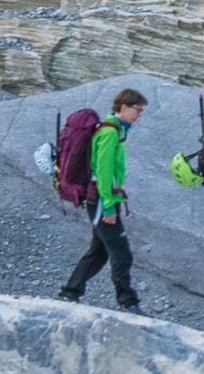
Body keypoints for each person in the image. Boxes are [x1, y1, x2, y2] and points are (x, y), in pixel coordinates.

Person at [58, 88, 147, 312]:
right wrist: (108, 206)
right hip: (101, 200)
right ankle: (128, 302)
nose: (139, 115)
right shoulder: (109, 133)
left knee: (98, 252)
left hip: (102, 198)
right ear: (124, 107)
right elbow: (103, 171)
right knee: (122, 254)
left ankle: (70, 292)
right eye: (137, 110)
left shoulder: (114, 130)